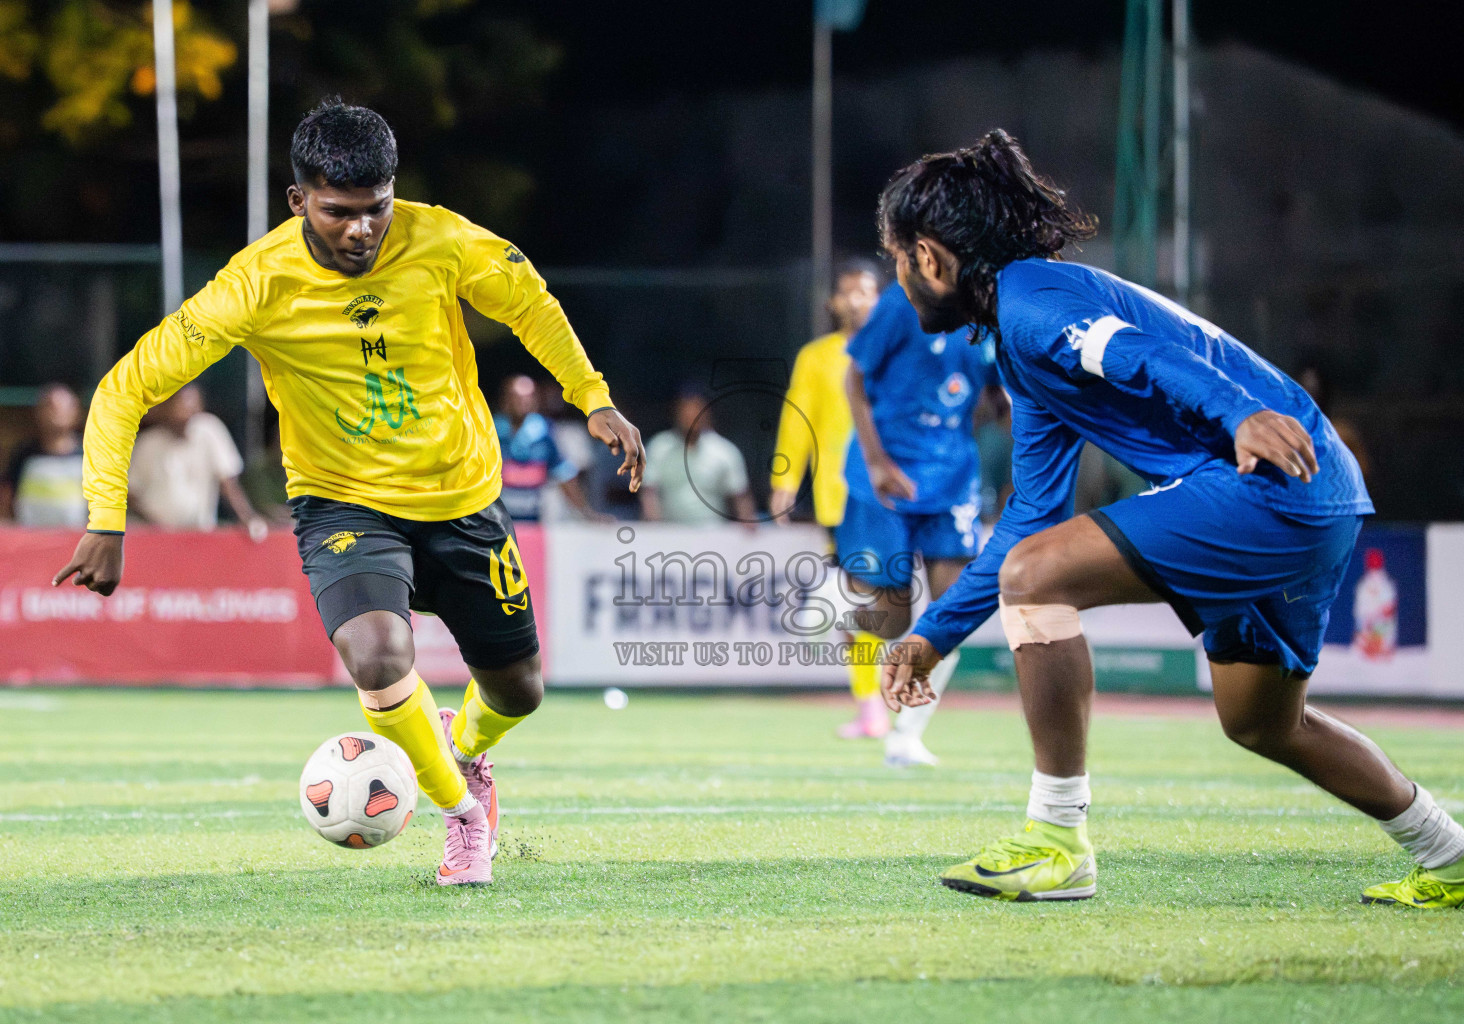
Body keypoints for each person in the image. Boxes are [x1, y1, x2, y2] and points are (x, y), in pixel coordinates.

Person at [879, 129, 1464, 910]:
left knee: (1035, 580)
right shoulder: (1026, 343)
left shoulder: (1031, 305)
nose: (898, 279)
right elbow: (1028, 518)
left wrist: (1242, 414)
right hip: (1310, 491)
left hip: (1269, 482)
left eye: (896, 258)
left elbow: (1138, 354)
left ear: (932, 257)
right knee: (1260, 721)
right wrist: (932, 633)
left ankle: (1055, 840)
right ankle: (1461, 863)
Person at [52, 101, 646, 888]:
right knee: (377, 654)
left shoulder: (439, 239)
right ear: (299, 201)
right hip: (343, 504)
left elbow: (529, 299)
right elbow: (124, 390)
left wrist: (591, 394)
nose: (364, 229)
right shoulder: (255, 284)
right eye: (340, 212)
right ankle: (461, 815)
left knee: (519, 689)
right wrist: (106, 518)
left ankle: (460, 748)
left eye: (377, 209)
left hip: (463, 499)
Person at [837, 282, 996, 766]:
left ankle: (905, 736)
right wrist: (876, 460)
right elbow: (854, 378)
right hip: (887, 476)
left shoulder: (992, 306)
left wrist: (1003, 405)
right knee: (895, 620)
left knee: (951, 616)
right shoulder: (900, 302)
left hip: (952, 478)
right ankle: (839, 614)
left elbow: (989, 391)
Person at [769, 259, 882, 738]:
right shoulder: (816, 357)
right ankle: (871, 704)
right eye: (848, 292)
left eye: (865, 291)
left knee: (884, 600)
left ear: (880, 297)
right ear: (833, 302)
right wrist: (784, 481)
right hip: (842, 499)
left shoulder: (897, 350)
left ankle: (883, 701)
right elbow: (799, 421)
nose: (856, 300)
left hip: (903, 496)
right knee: (859, 604)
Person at [128, 383, 269, 540]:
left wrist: (249, 518)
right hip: (157, 538)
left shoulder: (209, 430)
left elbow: (228, 483)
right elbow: (131, 494)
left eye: (191, 407)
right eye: (179, 405)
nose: (185, 413)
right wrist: (154, 525)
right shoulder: (149, 443)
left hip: (200, 535)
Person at [494, 374, 610, 523]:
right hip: (498, 520)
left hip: (534, 517)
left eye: (528, 397)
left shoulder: (543, 431)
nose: (522, 402)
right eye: (516, 397)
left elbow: (563, 474)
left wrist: (587, 514)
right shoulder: (491, 430)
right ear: (505, 400)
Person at [641, 390, 755, 526]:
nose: (690, 416)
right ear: (676, 413)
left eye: (696, 410)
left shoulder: (725, 451)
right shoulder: (659, 447)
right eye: (685, 411)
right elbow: (649, 492)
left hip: (714, 534)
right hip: (669, 534)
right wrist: (654, 527)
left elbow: (740, 495)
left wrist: (747, 524)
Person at [1, 383, 86, 527]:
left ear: (76, 412)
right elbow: (6, 497)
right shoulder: (24, 454)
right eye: (50, 406)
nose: (56, 411)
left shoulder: (90, 454)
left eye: (63, 406)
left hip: (76, 540)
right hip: (30, 540)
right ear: (39, 411)